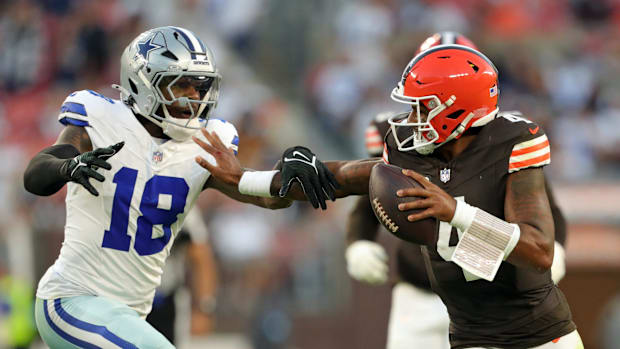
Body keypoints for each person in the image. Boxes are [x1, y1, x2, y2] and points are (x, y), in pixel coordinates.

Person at [197, 45, 583, 348]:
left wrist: (456, 213)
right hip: (470, 336)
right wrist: (245, 178)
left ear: (457, 108)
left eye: (422, 106)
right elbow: (344, 177)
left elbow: (538, 251)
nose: (411, 118)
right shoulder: (407, 146)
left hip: (538, 336)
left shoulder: (513, 142)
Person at [23, 26, 336, 348]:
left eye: (200, 87)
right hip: (72, 299)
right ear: (142, 83)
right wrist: (67, 166)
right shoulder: (100, 117)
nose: (194, 97)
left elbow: (258, 193)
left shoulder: (205, 143)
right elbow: (36, 175)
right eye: (181, 84)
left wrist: (287, 179)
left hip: (129, 316)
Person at [345, 32, 569, 349]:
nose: (414, 114)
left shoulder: (507, 138)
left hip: (487, 292)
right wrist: (357, 239)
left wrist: (554, 247)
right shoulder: (394, 130)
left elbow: (539, 205)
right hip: (420, 288)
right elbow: (371, 185)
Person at [146, 206, 217, 344]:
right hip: (123, 296)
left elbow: (200, 255)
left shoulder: (178, 197)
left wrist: (204, 307)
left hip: (164, 300)